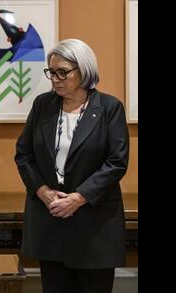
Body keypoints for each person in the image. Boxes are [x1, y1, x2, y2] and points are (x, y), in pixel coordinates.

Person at [14, 39, 129, 293]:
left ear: (84, 71)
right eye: (51, 72)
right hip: (50, 219)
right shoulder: (42, 105)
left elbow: (117, 162)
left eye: (62, 72)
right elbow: (23, 154)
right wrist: (42, 191)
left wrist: (78, 198)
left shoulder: (110, 108)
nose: (55, 78)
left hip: (94, 226)